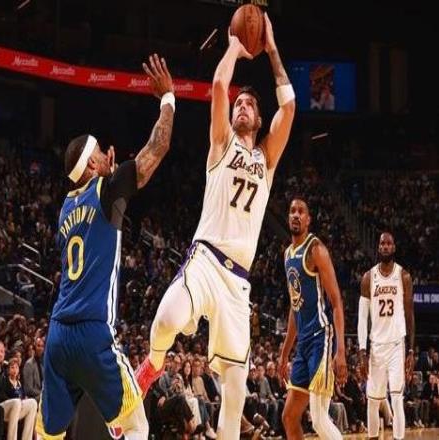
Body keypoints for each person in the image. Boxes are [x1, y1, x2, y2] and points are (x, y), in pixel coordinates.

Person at [137, 13, 295, 439]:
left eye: (250, 105)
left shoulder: (267, 159)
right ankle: (152, 364)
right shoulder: (221, 144)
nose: (242, 106)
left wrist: (272, 48)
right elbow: (221, 86)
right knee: (166, 319)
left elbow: (289, 107)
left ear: (258, 121)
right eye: (240, 104)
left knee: (236, 390)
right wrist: (233, 48)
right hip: (205, 259)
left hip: (237, 282)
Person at [36, 54, 175, 440]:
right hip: (92, 331)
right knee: (136, 424)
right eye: (99, 150)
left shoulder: (66, 208)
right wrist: (168, 98)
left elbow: (98, 220)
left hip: (57, 336)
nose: (104, 150)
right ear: (93, 164)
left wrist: (111, 180)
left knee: (49, 434)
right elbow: (157, 149)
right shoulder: (105, 189)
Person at [279, 198, 347, 440]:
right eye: (292, 211)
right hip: (303, 344)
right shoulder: (287, 255)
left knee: (318, 419)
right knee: (289, 417)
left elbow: (336, 302)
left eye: (301, 212)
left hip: (321, 338)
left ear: (308, 220)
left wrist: (341, 351)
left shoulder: (316, 250)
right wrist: (284, 353)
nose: (296, 215)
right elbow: (295, 305)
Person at [358, 232, 415, 440]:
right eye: (382, 243)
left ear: (394, 247)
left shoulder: (403, 276)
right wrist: (362, 351)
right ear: (378, 247)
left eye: (389, 243)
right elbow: (362, 318)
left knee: (397, 398)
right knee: (373, 400)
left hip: (397, 345)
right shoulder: (368, 278)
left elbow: (410, 315)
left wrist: (411, 350)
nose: (385, 246)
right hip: (376, 346)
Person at [0, 341, 36, 440]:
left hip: (10, 405)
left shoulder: (5, 370)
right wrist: (14, 400)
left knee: (32, 403)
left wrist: (19, 398)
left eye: (2, 351)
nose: (0, 354)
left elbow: (10, 390)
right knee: (16, 402)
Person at [22, 337, 44, 402]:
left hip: (42, 396)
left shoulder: (43, 364)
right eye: (38, 346)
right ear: (34, 347)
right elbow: (28, 389)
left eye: (42, 346)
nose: (40, 348)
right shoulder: (29, 364)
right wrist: (42, 394)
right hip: (33, 399)